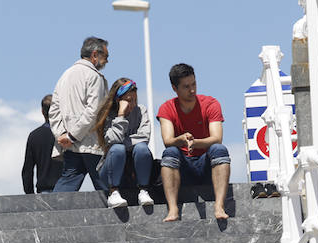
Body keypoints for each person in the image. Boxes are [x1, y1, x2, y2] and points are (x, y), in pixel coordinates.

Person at [157, 63, 230, 222]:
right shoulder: (166, 108)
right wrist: (181, 140)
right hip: (182, 168)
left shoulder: (211, 104)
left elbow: (217, 137)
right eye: (186, 87)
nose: (192, 90)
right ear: (174, 89)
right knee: (169, 153)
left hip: (206, 165)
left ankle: (219, 206)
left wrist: (195, 143)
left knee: (219, 149)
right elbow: (168, 141)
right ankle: (173, 209)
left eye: (194, 84)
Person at [49, 37, 109, 192]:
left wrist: (62, 135)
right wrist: (72, 136)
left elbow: (54, 110)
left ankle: (51, 215)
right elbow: (94, 111)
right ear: (95, 55)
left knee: (67, 183)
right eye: (106, 57)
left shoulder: (65, 75)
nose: (107, 61)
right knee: (106, 187)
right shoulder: (94, 76)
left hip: (70, 145)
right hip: (91, 142)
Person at [94, 78, 153, 208]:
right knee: (118, 149)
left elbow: (144, 137)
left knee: (142, 149)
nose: (132, 104)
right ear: (118, 100)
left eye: (135, 100)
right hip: (110, 169)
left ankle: (143, 190)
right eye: (128, 100)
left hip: (134, 167)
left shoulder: (141, 110)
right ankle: (113, 192)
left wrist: (123, 142)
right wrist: (121, 115)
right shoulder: (108, 115)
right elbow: (112, 141)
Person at [22, 94, 64, 194]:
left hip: (43, 191)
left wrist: (30, 195)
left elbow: (27, 170)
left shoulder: (34, 136)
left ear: (42, 112)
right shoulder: (66, 135)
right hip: (66, 188)